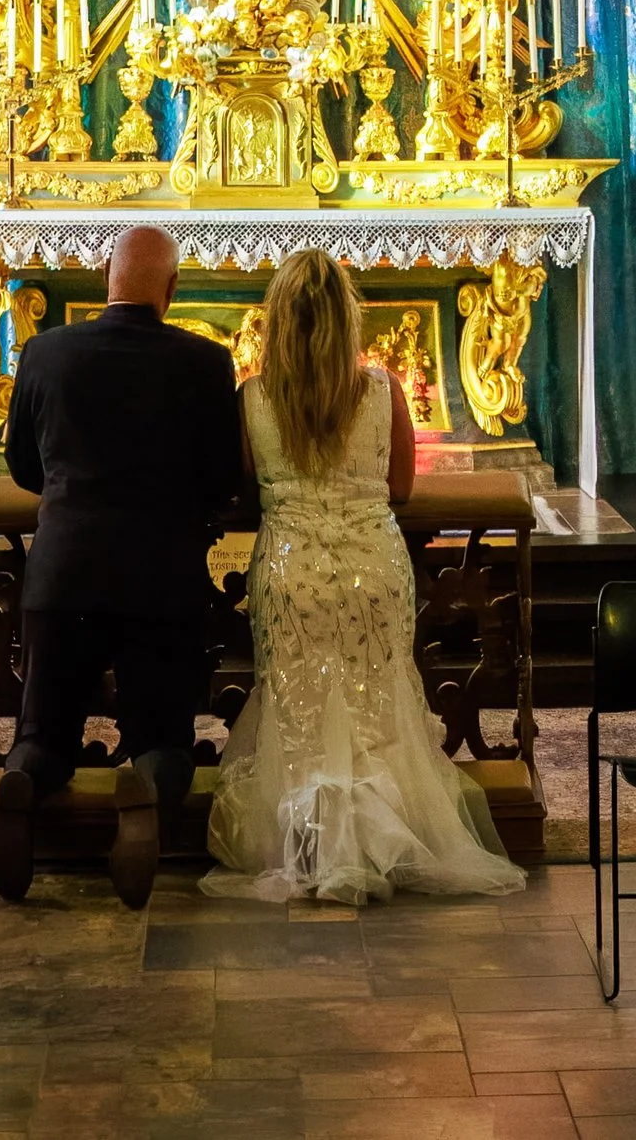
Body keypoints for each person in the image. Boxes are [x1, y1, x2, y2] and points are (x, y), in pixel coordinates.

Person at [205, 248, 523, 904]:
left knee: (299, 712)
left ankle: (308, 842)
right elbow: (401, 485)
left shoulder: (253, 398)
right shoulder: (382, 390)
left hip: (291, 574)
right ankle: (386, 840)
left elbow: (243, 483)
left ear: (277, 323)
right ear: (346, 320)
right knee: (377, 711)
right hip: (371, 574)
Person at [0, 224, 244, 906]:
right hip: (160, 577)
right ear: (171, 288)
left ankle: (21, 780)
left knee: (44, 731)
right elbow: (224, 476)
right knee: (163, 733)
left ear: (107, 276)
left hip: (62, 567)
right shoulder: (204, 360)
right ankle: (146, 788)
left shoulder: (45, 353)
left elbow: (22, 467)